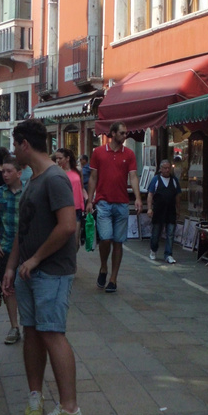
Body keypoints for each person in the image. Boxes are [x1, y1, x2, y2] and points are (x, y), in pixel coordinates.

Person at [2, 119, 81, 415]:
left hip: (51, 272)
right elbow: (26, 229)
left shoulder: (54, 179)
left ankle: (70, 409)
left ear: (24, 144)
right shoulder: (33, 179)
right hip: (28, 272)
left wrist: (34, 259)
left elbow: (68, 226)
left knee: (51, 333)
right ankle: (35, 397)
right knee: (32, 332)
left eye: (14, 144)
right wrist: (12, 265)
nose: (11, 152)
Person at [85, 122, 142, 294]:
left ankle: (113, 278)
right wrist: (89, 200)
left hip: (122, 203)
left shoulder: (129, 154)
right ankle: (103, 267)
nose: (125, 136)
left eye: (126, 133)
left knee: (118, 241)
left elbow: (133, 177)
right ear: (113, 133)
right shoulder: (99, 152)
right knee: (106, 238)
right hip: (103, 202)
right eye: (122, 133)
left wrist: (138, 197)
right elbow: (93, 177)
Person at [0, 156, 25, 344]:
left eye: (9, 171)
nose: (5, 174)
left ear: (19, 173)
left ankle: (28, 324)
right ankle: (14, 326)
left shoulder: (27, 191)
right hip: (5, 246)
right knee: (7, 287)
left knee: (27, 286)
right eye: (3, 171)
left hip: (26, 248)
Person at [146, 159, 181, 264]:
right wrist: (149, 208)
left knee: (170, 233)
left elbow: (178, 196)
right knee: (156, 233)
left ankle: (168, 254)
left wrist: (178, 209)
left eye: (168, 168)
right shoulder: (156, 180)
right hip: (158, 210)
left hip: (170, 211)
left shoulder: (174, 181)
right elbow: (150, 195)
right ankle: (153, 249)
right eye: (165, 168)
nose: (167, 170)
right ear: (160, 169)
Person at [55, 148, 86, 249]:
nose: (58, 161)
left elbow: (81, 188)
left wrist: (87, 200)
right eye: (56, 158)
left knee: (75, 240)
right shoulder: (57, 172)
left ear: (67, 158)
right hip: (63, 207)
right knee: (63, 238)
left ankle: (72, 261)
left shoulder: (78, 170)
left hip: (76, 207)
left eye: (60, 158)